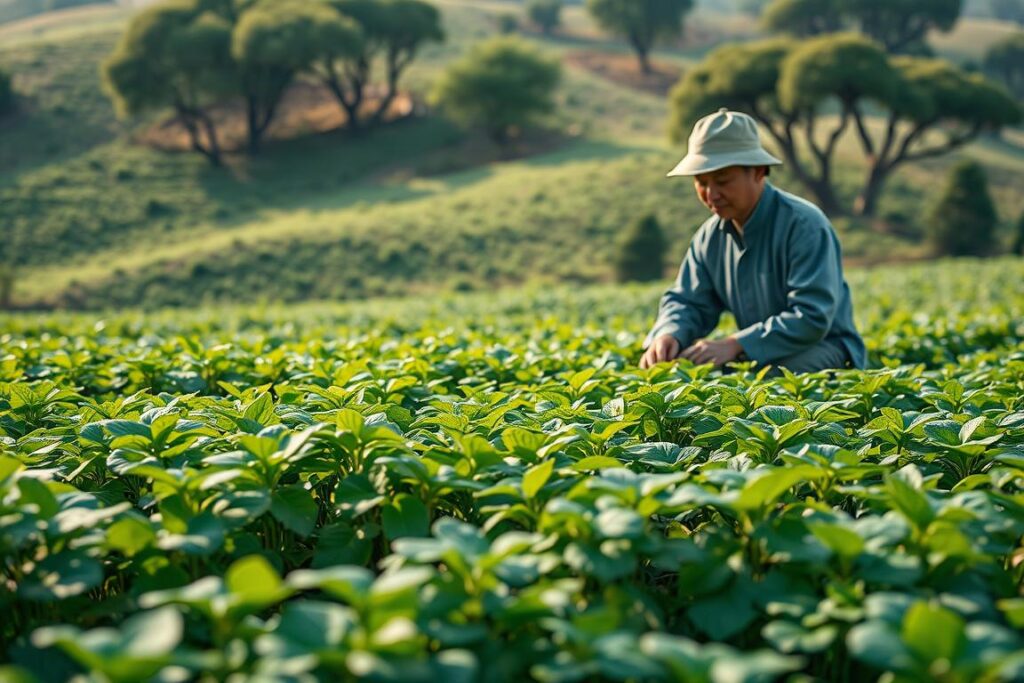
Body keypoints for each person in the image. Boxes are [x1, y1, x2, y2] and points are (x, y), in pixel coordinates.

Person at [639, 108, 866, 373]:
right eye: (701, 182)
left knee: (763, 384)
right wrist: (669, 334)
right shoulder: (709, 237)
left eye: (722, 181)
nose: (711, 194)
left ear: (758, 171)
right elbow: (689, 301)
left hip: (826, 348)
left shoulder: (804, 225)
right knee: (691, 380)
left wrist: (735, 344)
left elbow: (812, 317)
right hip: (757, 354)